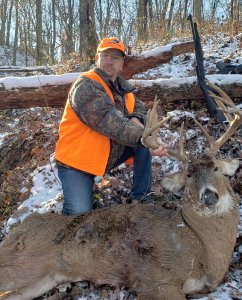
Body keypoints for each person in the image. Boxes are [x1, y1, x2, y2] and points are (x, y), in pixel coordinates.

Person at [55, 37, 168, 216]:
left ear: (122, 64)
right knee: (79, 213)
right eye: (106, 55)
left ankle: (141, 199)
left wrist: (138, 122)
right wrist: (142, 136)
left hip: (103, 157)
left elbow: (138, 108)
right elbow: (109, 120)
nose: (110, 60)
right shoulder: (85, 85)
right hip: (76, 163)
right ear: (96, 58)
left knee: (144, 140)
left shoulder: (124, 91)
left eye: (115, 57)